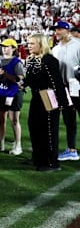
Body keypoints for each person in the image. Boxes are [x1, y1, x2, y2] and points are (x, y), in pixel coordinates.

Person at [24, 33, 67, 172]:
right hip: (37, 96)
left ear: (41, 44)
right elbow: (30, 79)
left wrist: (61, 103)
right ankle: (38, 157)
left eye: (32, 44)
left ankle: (51, 163)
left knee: (48, 130)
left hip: (49, 96)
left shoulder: (49, 60)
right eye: (28, 43)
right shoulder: (31, 60)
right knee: (34, 126)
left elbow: (57, 82)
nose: (29, 46)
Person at [50, 20, 80, 161]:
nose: (56, 32)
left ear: (67, 30)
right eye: (55, 30)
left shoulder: (78, 45)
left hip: (78, 87)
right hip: (64, 89)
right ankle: (72, 149)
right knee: (69, 120)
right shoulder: (55, 49)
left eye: (59, 29)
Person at [0, 39, 25, 155]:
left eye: (8, 46)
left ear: (14, 48)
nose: (5, 48)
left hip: (14, 92)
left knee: (14, 120)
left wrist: (5, 74)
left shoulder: (17, 62)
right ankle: (0, 142)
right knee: (0, 119)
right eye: (3, 46)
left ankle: (18, 144)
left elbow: (20, 80)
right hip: (1, 91)